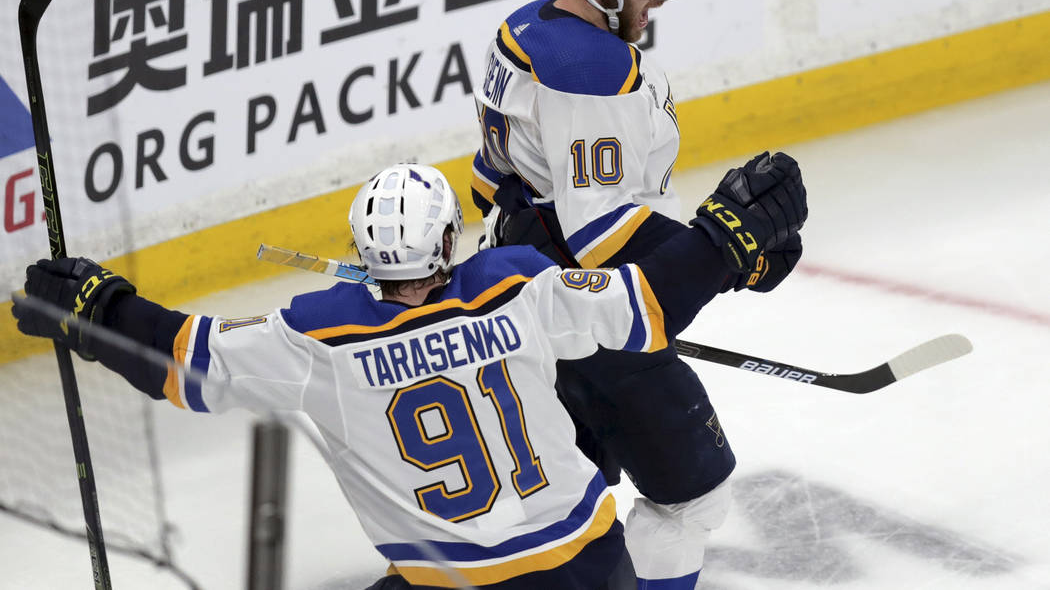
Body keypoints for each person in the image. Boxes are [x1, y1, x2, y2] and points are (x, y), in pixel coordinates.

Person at [13, 155, 805, 589]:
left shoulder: (316, 336)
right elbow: (648, 302)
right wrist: (722, 238)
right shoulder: (517, 282)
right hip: (592, 576)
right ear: (447, 243)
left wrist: (97, 309)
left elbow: (183, 359)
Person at [469, 0, 807, 587]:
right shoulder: (595, 70)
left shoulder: (522, 31)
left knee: (552, 502)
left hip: (526, 301)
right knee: (692, 497)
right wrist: (723, 256)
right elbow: (600, 234)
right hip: (593, 317)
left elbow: (489, 180)